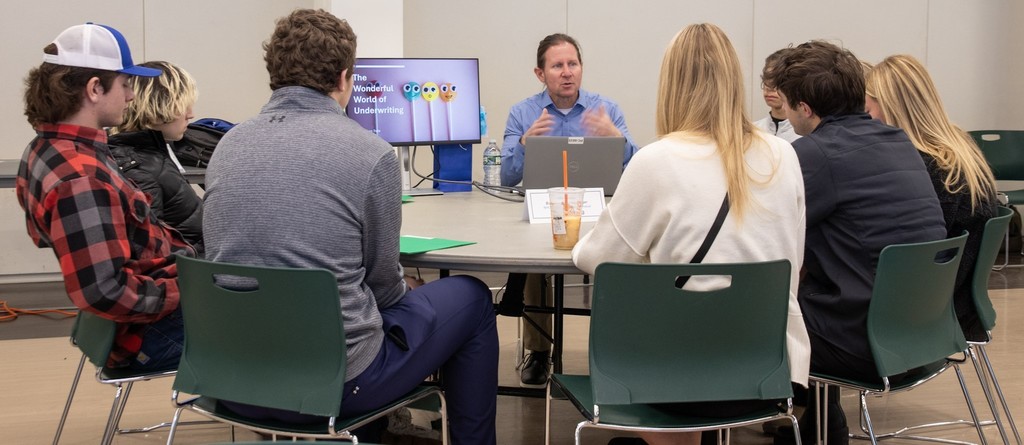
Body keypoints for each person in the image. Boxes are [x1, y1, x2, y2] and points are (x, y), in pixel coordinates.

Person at [201, 9, 498, 444]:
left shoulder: (227, 146)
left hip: (235, 380)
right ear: (344, 78)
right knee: (470, 297)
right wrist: (409, 290)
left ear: (274, 73)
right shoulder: (370, 153)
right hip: (337, 384)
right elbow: (384, 288)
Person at [571, 23, 810, 445]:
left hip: (673, 378)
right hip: (768, 370)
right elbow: (791, 259)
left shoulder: (656, 161)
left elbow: (599, 260)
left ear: (672, 84)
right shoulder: (783, 155)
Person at [764, 41, 947, 444]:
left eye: (788, 105)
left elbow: (763, 234)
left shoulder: (814, 153)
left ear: (805, 108)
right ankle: (819, 430)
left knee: (740, 319)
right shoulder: (897, 140)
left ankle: (695, 430)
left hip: (864, 342)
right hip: (922, 331)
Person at [17, 23, 191, 371]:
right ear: (95, 88)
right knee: (279, 331)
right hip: (149, 332)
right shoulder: (80, 176)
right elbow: (104, 292)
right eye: (126, 85)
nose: (131, 96)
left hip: (141, 318)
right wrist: (190, 295)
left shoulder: (48, 149)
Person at [498, 33, 639, 388]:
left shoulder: (605, 109)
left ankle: (614, 353)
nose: (566, 72)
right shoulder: (523, 112)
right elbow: (507, 176)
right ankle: (540, 352)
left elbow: (637, 168)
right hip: (543, 215)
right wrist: (526, 142)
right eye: (557, 65)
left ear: (581, 67)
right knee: (533, 268)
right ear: (540, 73)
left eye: (572, 64)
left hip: (598, 212)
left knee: (624, 262)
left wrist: (616, 139)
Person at [865, 54, 998, 341]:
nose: (866, 113)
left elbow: (912, 252)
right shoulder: (958, 145)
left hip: (931, 312)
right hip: (962, 303)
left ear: (889, 103)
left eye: (869, 102)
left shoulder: (926, 166)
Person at [108, 61, 204, 254]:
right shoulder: (141, 169)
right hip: (190, 274)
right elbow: (151, 253)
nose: (191, 115)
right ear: (157, 107)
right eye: (183, 106)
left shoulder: (144, 156)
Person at [754, 48, 800, 143]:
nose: (769, 88)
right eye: (766, 79)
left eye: (776, 80)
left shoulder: (804, 135)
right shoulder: (753, 131)